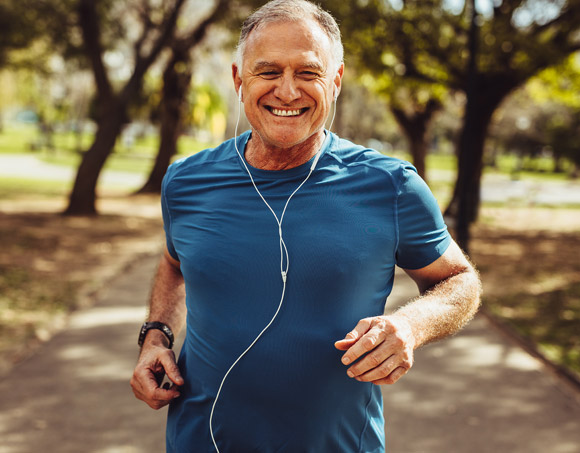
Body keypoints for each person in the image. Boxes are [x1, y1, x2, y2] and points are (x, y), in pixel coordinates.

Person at [130, 1, 481, 451]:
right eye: (269, 71)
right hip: (199, 441)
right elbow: (175, 263)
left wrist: (410, 326)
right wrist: (155, 335)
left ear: (334, 82)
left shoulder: (391, 186)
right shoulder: (185, 182)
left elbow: (460, 280)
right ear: (240, 80)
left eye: (308, 73)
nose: (288, 91)